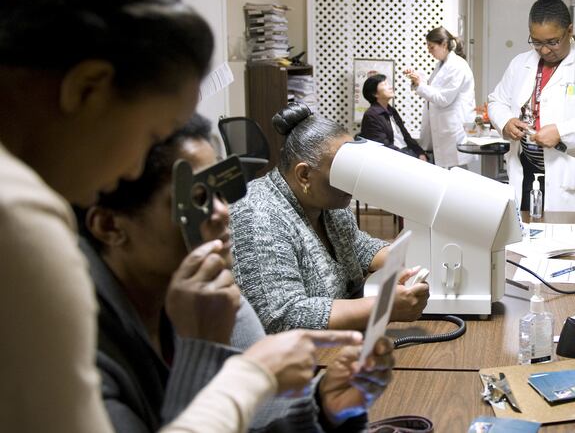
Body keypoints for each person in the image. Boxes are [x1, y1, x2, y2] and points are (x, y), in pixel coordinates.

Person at [0, 0, 357, 433]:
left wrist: (322, 405)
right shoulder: (21, 222)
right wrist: (239, 372)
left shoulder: (196, 287)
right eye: (151, 133)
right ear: (86, 89)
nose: (130, 166)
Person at [79, 114, 394, 432]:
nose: (223, 213)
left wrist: (324, 407)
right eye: (197, 199)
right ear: (110, 226)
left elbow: (260, 419)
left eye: (221, 193)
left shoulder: (212, 297)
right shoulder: (79, 357)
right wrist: (204, 352)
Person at [231, 102, 430, 333]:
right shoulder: (258, 216)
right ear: (304, 175)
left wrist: (409, 261)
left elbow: (356, 245)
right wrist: (382, 307)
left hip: (338, 343)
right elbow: (282, 316)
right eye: (341, 171)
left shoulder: (328, 203)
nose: (351, 182)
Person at [487, 0, 575, 221]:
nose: (545, 50)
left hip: (570, 176)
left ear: (570, 31)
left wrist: (561, 132)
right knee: (527, 242)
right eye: (536, 42)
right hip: (527, 172)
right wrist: (505, 121)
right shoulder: (521, 63)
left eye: (552, 42)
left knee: (568, 248)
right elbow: (497, 100)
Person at [403, 27, 476, 168]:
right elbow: (435, 90)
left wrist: (420, 85)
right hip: (445, 128)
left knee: (457, 175)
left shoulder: (457, 66)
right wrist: (418, 80)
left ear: (443, 44)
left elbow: (443, 99)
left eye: (431, 47)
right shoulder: (441, 65)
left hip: (453, 129)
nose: (429, 51)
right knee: (448, 174)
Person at [360, 73, 427, 161]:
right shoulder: (372, 115)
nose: (390, 87)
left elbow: (406, 136)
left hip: (406, 153)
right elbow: (383, 147)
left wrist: (420, 153)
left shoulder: (391, 110)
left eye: (388, 84)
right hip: (395, 158)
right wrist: (409, 159)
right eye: (384, 84)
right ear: (375, 94)